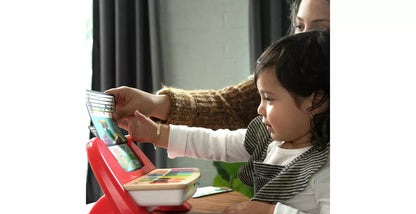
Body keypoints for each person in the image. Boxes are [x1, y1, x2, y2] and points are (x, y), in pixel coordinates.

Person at [117, 29, 330, 214]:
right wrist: (156, 133)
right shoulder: (268, 139)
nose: (260, 109)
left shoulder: (327, 166)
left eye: (269, 99)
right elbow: (217, 143)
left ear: (315, 101)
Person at [105, 0, 330, 130]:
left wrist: (269, 213)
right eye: (300, 26)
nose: (303, 39)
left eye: (321, 29)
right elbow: (226, 107)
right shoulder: (284, 79)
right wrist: (152, 103)